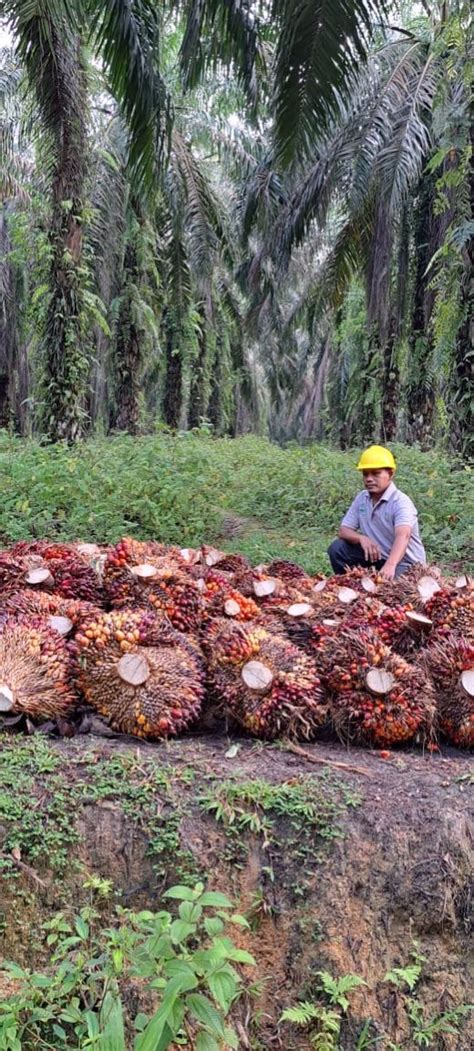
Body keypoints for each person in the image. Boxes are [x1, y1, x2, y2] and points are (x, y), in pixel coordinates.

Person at [327, 446, 426, 580]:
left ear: (390, 474)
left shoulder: (400, 501)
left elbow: (404, 536)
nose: (369, 479)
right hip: (378, 558)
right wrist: (362, 538)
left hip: (405, 563)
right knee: (338, 549)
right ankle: (350, 586)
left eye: (375, 473)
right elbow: (344, 530)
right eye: (365, 474)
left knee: (393, 591)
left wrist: (390, 565)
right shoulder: (362, 498)